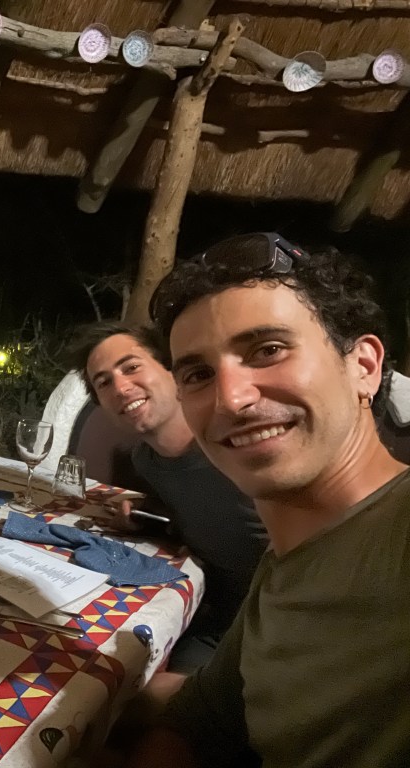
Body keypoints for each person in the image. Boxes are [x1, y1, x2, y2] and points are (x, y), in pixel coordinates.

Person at [129, 233, 410, 767]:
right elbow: (207, 713)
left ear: (364, 367)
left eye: (268, 349)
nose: (231, 398)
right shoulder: (281, 568)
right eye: (198, 374)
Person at [68, 322, 267, 673]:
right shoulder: (146, 461)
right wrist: (149, 515)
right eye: (104, 382)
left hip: (281, 631)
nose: (121, 387)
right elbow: (204, 512)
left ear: (172, 370)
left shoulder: (240, 443)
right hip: (216, 624)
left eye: (131, 367)